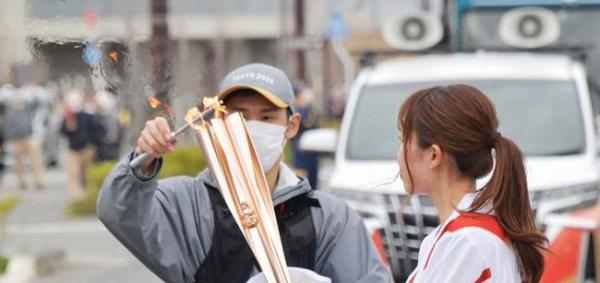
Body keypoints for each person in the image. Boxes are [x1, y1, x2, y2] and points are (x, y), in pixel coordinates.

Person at [97, 63, 392, 283]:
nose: (252, 128)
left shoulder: (328, 216)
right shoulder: (186, 203)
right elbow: (119, 210)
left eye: (267, 117)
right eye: (239, 115)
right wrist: (143, 160)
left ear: (291, 125)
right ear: (218, 120)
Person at [397, 85, 547, 282]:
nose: (398, 154)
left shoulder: (466, 241)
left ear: (434, 155)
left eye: (403, 140)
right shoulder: (464, 234)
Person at [60, 89, 104, 202]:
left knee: (87, 175)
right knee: (73, 174)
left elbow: (98, 130)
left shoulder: (87, 116)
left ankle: (89, 197)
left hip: (87, 149)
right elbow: (62, 132)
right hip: (73, 150)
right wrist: (68, 128)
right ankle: (75, 199)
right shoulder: (68, 117)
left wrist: (92, 143)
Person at [0, 84, 45, 190]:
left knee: (36, 159)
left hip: (28, 136)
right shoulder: (8, 106)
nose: (18, 98)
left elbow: (38, 103)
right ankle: (21, 182)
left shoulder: (27, 105)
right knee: (17, 162)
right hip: (14, 138)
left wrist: (34, 91)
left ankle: (39, 181)